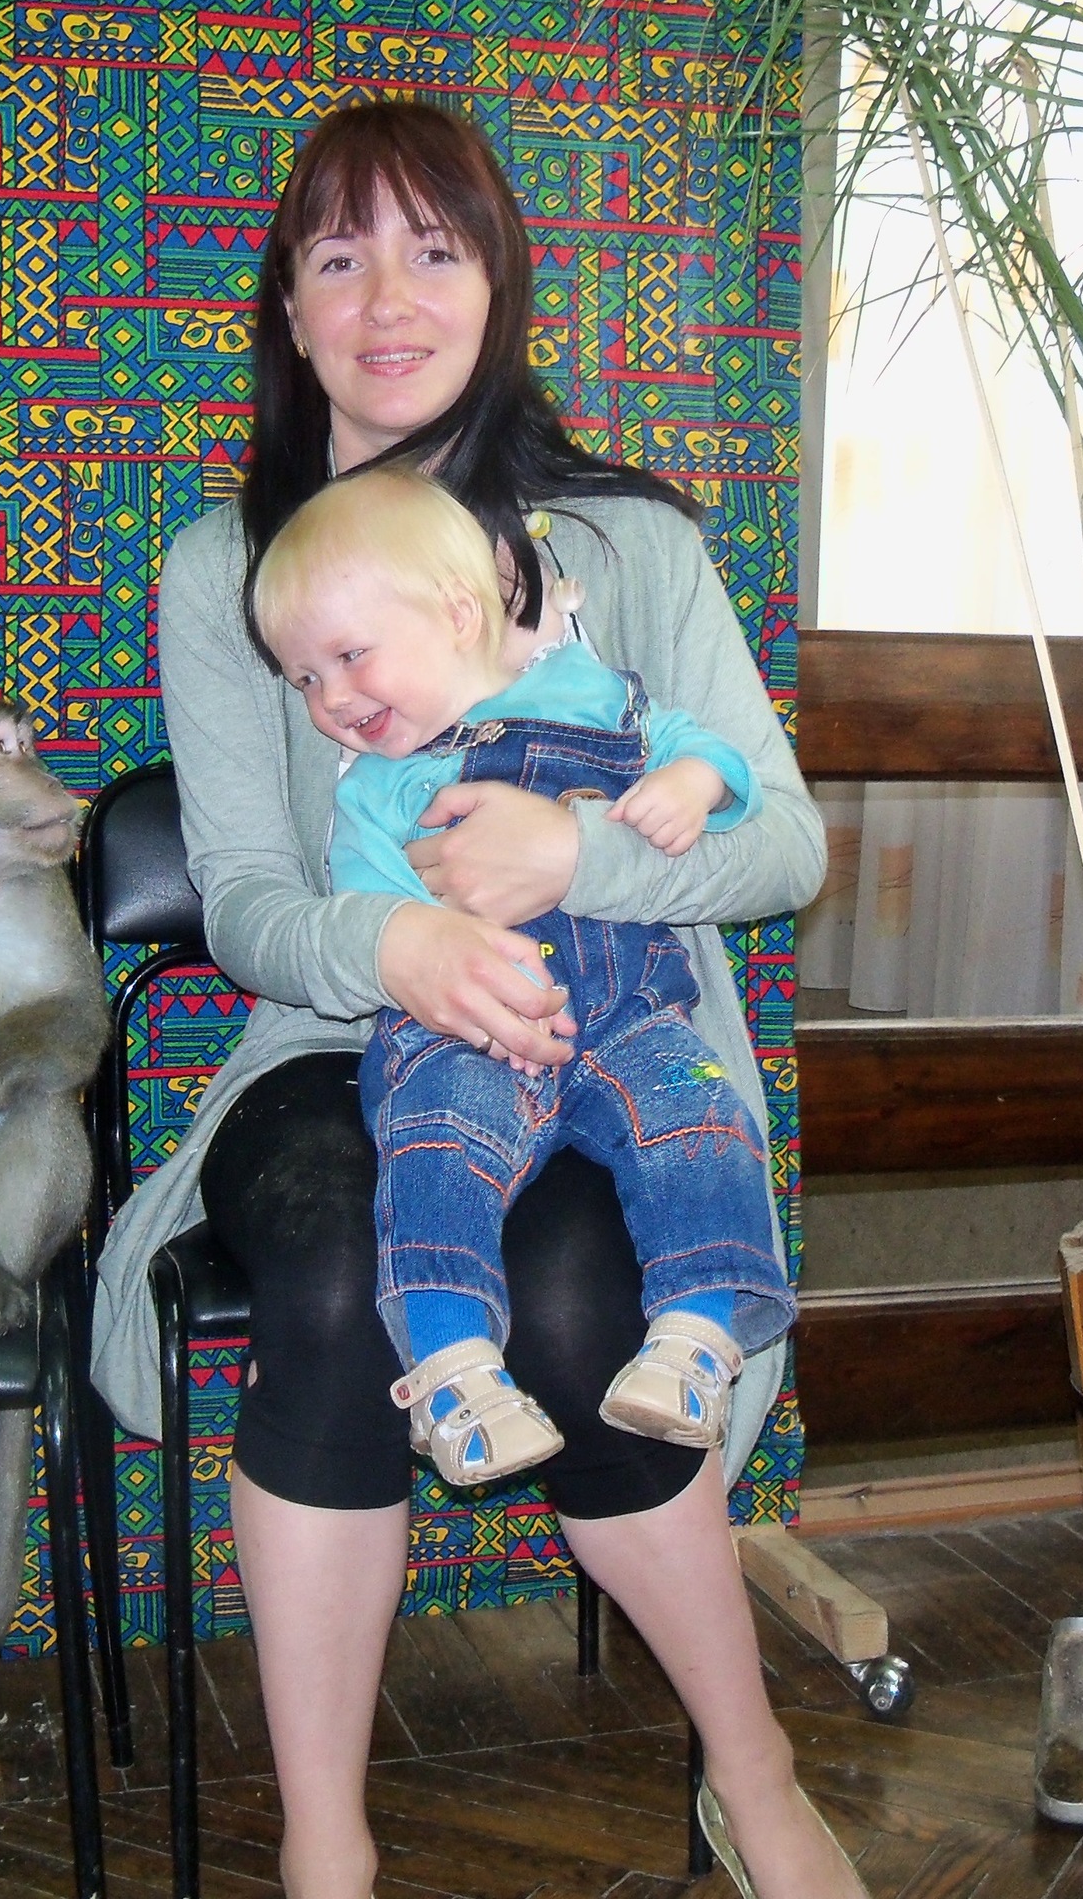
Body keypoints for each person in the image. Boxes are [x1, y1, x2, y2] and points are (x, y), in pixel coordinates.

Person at [87, 99, 862, 1899]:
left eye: (434, 251)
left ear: (499, 286)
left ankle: (756, 1782)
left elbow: (786, 844)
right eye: (339, 256)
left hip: (608, 1032)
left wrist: (574, 856)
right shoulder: (226, 570)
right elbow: (250, 903)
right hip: (338, 1046)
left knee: (587, 1303)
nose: (389, 298)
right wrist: (401, 948)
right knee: (334, 1277)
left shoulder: (631, 548)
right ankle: (328, 1850)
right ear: (288, 310)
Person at [251, 465, 798, 1484]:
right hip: (471, 1028)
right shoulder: (378, 791)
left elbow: (706, 754)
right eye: (305, 680)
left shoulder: (587, 690)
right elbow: (374, 922)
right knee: (434, 1146)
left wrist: (693, 782)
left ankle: (696, 1338)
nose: (333, 699)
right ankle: (453, 1369)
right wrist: (422, 946)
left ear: (460, 614)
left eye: (350, 656)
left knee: (701, 1115)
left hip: (630, 1014)